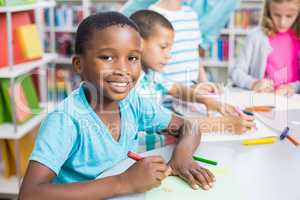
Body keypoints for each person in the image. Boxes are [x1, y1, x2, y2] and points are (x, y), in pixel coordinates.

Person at [19, 12, 216, 200]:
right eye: (107, 57)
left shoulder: (132, 102)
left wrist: (181, 158)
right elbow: (30, 194)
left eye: (132, 58)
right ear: (79, 65)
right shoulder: (65, 120)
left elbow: (189, 127)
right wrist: (123, 182)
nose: (123, 69)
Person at [131, 10, 255, 135]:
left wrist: (209, 102)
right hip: (151, 150)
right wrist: (226, 124)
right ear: (139, 43)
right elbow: (173, 125)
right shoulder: (135, 88)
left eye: (170, 49)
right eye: (163, 47)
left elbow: (176, 89)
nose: (169, 56)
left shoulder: (150, 74)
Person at [230, 0, 300, 95]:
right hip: (263, 99)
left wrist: (294, 87)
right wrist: (253, 83)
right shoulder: (255, 36)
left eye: (289, 16)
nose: (282, 22)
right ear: (268, 11)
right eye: (277, 15)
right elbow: (236, 72)